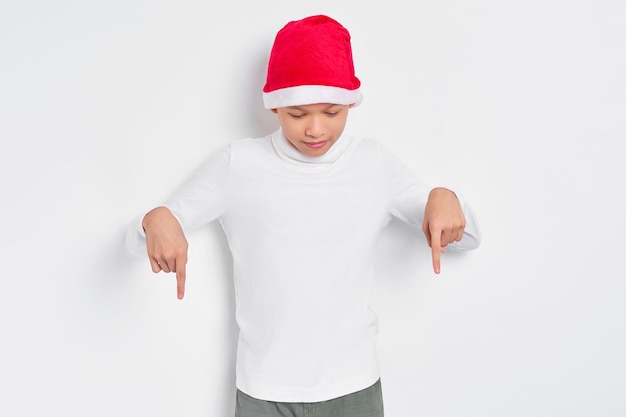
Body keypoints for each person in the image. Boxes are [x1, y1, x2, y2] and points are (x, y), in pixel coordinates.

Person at [126, 14, 481, 417]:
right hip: (264, 390)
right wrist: (154, 218)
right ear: (275, 105)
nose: (315, 129)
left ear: (350, 102)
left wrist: (445, 197)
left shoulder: (374, 165)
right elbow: (142, 238)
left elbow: (465, 238)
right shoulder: (238, 165)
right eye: (297, 114)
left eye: (331, 112)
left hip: (354, 389)